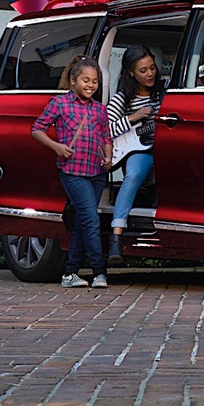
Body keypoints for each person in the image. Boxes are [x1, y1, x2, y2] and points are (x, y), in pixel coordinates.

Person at [31, 55, 112, 288]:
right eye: (86, 80)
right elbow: (37, 129)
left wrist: (107, 156)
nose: (91, 85)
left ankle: (69, 274)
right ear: (73, 80)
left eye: (95, 81)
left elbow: (106, 137)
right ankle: (99, 273)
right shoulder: (60, 103)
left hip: (96, 172)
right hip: (73, 171)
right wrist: (57, 147)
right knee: (90, 218)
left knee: (82, 222)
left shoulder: (99, 109)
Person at [106, 44, 162, 266]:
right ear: (131, 72)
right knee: (134, 174)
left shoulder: (161, 92)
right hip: (136, 149)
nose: (150, 74)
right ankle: (116, 235)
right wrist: (133, 117)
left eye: (152, 68)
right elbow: (105, 129)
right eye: (143, 70)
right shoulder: (122, 98)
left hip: (161, 145)